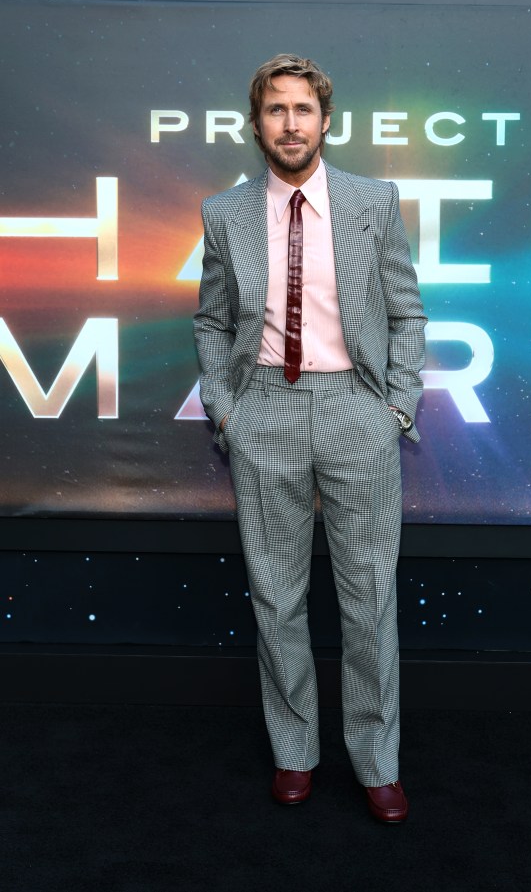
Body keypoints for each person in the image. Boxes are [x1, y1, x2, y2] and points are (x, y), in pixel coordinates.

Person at [193, 53, 426, 823]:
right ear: (255, 123)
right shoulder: (225, 213)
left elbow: (406, 311)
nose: (290, 124)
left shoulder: (373, 201)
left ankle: (377, 760)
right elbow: (211, 317)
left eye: (303, 110)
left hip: (357, 411)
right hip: (264, 411)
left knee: (370, 598)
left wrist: (397, 405)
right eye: (275, 110)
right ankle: (295, 753)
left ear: (326, 121)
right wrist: (226, 411)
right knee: (277, 598)